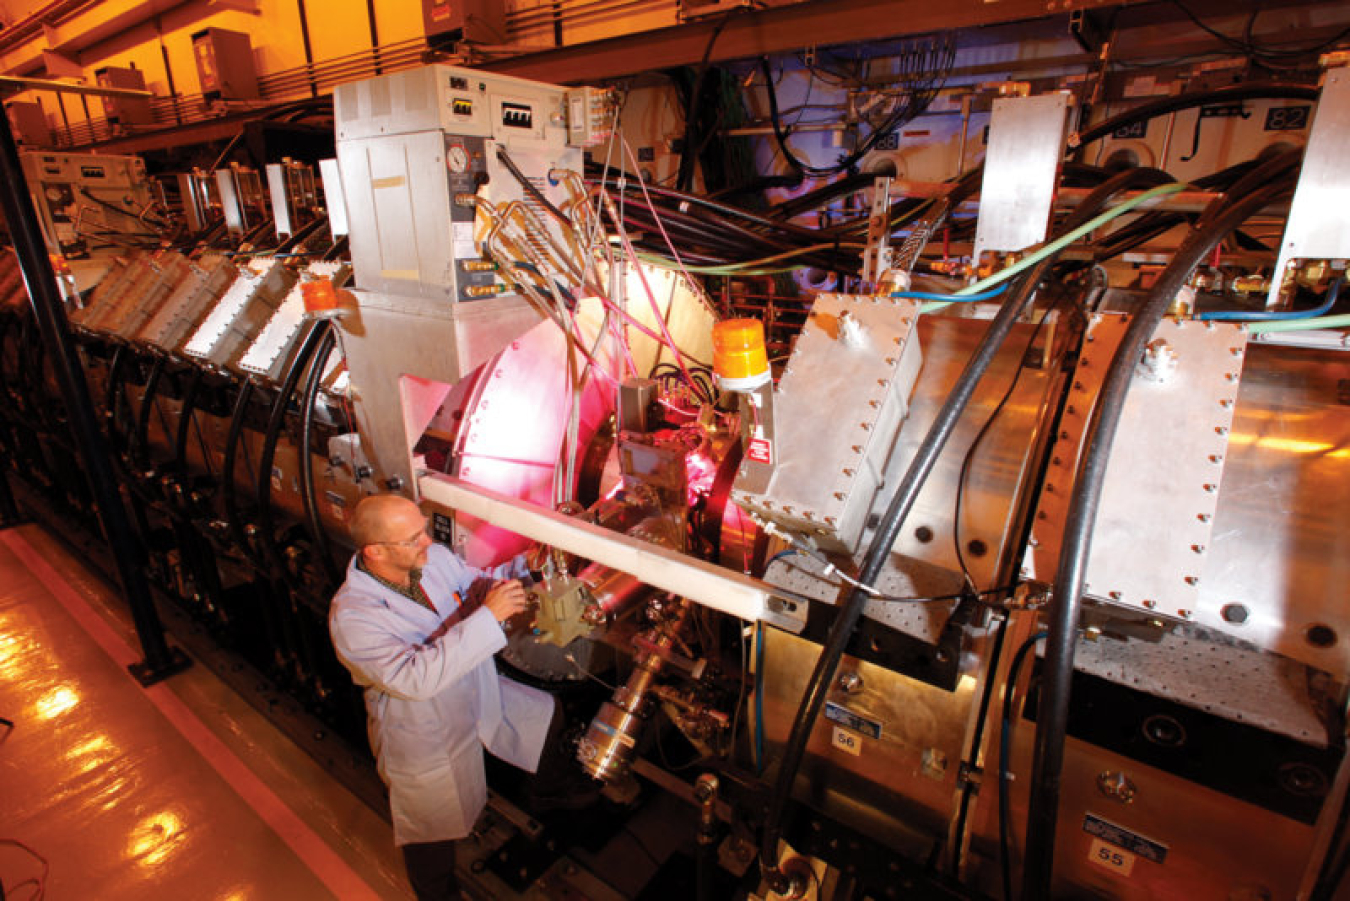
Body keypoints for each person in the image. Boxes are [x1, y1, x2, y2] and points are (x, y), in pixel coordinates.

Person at [329, 493, 555, 901]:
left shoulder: (427, 561)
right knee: (430, 839)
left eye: (424, 531)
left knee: (535, 722)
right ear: (375, 551)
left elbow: (473, 583)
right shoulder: (353, 616)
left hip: (470, 692)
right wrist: (489, 616)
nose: (428, 542)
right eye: (413, 538)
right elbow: (413, 678)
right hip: (420, 733)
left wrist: (528, 568)